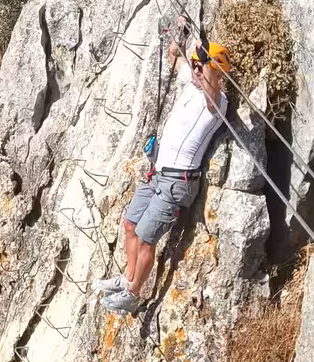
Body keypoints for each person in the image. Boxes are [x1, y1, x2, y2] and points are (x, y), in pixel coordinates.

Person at [96, 31, 228, 316]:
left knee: (145, 237)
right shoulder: (190, 85)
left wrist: (205, 62)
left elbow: (211, 97)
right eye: (194, 65)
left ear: (213, 70)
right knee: (130, 225)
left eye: (200, 66)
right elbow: (172, 55)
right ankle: (128, 277)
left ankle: (133, 294)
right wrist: (179, 36)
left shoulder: (217, 101)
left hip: (177, 183)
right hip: (158, 174)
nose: (194, 68)